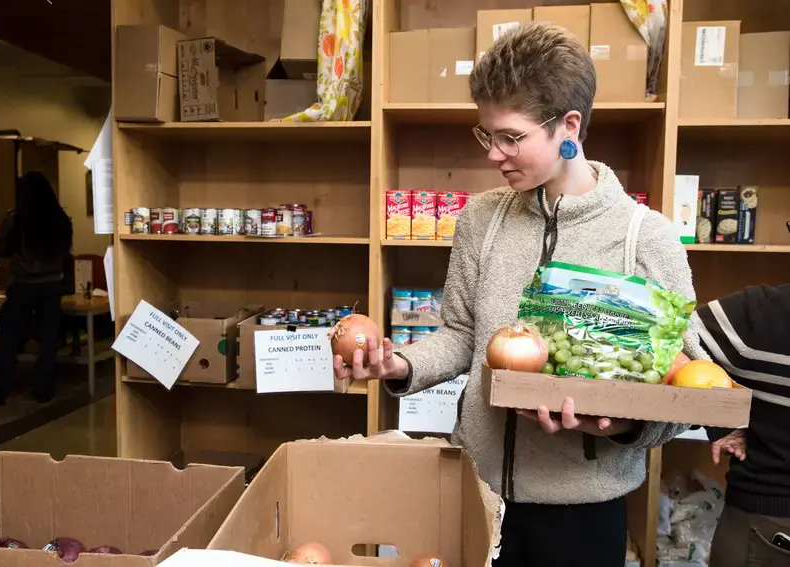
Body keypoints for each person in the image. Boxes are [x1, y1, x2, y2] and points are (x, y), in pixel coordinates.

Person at [333, 23, 708, 567]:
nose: (495, 154)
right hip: (476, 489)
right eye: (487, 135)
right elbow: (461, 335)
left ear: (569, 127)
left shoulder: (645, 239)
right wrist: (399, 364)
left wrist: (618, 423)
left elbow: (685, 384)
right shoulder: (481, 219)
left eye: (512, 137)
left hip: (580, 512)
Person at [693, 284, 790, 567]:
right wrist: (721, 420)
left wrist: (722, 422)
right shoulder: (759, 312)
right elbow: (672, 348)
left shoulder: (759, 311)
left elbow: (666, 349)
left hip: (763, 524)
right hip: (767, 524)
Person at [0, 171, 73, 405]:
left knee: (9, 338)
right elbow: (65, 254)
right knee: (48, 339)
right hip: (50, 285)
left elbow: (4, 251)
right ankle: (42, 389)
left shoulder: (15, 219)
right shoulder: (61, 220)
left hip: (22, 286)